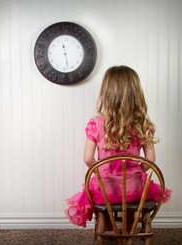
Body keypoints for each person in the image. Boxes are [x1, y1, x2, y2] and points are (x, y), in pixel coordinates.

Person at [65, 65, 172, 228]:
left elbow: (87, 158)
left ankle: (108, 225)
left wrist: (102, 172)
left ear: (106, 94)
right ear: (136, 94)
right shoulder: (142, 125)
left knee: (98, 191)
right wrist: (134, 172)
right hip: (134, 187)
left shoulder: (97, 123)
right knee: (134, 191)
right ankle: (129, 225)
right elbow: (151, 160)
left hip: (105, 187)